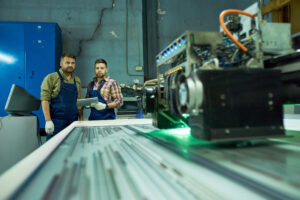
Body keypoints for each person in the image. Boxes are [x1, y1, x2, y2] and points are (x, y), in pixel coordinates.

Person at [41, 53, 83, 139]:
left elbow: (79, 103)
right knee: (53, 149)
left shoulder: (77, 80)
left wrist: (81, 120)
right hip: (57, 123)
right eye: (67, 62)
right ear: (61, 63)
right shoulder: (51, 78)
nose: (70, 65)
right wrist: (48, 121)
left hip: (73, 122)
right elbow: (44, 100)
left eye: (73, 63)